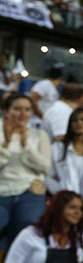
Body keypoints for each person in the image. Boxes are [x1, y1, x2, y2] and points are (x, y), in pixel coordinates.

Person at [0, 93, 52, 248]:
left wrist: (26, 147)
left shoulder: (39, 135)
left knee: (26, 228)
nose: (23, 114)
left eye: (27, 109)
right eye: (17, 109)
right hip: (2, 191)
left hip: (29, 191)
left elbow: (45, 166)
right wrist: (7, 145)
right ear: (6, 111)